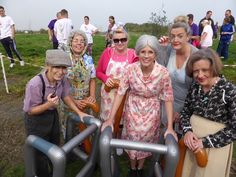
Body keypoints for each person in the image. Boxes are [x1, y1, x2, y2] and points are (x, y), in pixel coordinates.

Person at [101, 35, 177, 177]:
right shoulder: (130, 69)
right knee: (132, 138)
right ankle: (132, 167)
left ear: (156, 54)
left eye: (150, 52)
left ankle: (140, 168)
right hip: (132, 109)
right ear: (137, 52)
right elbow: (120, 93)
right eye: (143, 52)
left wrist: (170, 127)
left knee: (146, 140)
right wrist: (110, 119)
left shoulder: (163, 72)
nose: (146, 56)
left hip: (152, 111)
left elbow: (168, 98)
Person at [23, 49, 88, 177]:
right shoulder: (35, 84)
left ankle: (55, 171)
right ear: (47, 66)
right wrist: (48, 105)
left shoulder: (62, 80)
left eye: (64, 67)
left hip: (52, 116)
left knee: (54, 144)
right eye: (57, 67)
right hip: (35, 120)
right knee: (39, 152)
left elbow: (66, 97)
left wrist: (79, 113)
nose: (61, 71)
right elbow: (30, 111)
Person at [180, 48, 236, 177]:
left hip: (214, 148)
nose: (199, 75)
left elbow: (234, 128)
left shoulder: (229, 90)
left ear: (214, 67)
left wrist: (204, 142)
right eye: (195, 71)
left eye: (205, 70)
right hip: (191, 144)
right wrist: (187, 131)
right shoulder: (195, 86)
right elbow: (185, 111)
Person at [96, 27, 137, 155]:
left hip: (125, 95)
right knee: (108, 119)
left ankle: (118, 140)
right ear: (112, 40)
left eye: (123, 39)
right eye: (116, 40)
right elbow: (98, 72)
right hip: (109, 94)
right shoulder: (108, 52)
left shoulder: (133, 54)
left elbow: (136, 75)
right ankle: (108, 140)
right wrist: (105, 78)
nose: (120, 43)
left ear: (127, 40)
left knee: (122, 120)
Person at [158, 22, 198, 136]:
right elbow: (160, 71)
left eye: (180, 36)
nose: (175, 39)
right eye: (172, 36)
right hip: (166, 102)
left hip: (186, 105)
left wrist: (183, 112)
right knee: (164, 136)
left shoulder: (195, 55)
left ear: (188, 36)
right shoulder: (170, 49)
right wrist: (162, 49)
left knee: (180, 141)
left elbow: (197, 89)